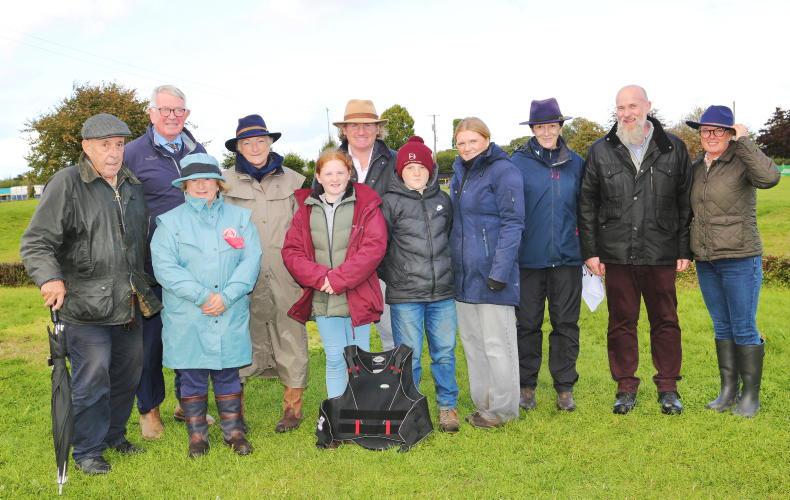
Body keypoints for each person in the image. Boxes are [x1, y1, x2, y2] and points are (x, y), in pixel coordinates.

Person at [21, 113, 161, 475]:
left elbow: (138, 244)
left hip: (129, 301)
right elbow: (37, 242)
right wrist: (50, 278)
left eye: (119, 145)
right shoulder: (67, 183)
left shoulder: (132, 185)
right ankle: (87, 450)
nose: (113, 152)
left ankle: (114, 436)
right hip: (84, 304)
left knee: (127, 376)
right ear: (86, 147)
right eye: (104, 145)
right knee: (92, 380)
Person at [579, 85, 692, 415]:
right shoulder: (601, 150)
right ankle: (625, 387)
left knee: (666, 321)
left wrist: (683, 249)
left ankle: (668, 387)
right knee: (621, 323)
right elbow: (587, 203)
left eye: (633, 106)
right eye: (621, 107)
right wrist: (591, 251)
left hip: (661, 251)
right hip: (616, 253)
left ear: (647, 106)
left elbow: (685, 202)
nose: (627, 113)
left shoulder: (673, 148)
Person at [150, 153, 261, 457]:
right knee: (192, 375)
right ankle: (197, 436)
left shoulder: (240, 219)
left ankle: (234, 432)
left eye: (208, 179)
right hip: (189, 313)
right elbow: (165, 268)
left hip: (229, 309)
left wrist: (226, 297)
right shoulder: (169, 223)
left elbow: (250, 261)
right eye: (194, 180)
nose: (201, 185)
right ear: (184, 185)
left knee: (228, 373)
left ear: (218, 184)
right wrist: (203, 296)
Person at [124, 84, 208, 439]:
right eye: (165, 110)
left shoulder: (197, 150)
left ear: (186, 114)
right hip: (151, 264)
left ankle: (187, 402)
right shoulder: (133, 153)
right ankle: (149, 409)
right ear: (151, 113)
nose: (172, 116)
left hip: (195, 263)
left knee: (190, 334)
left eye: (179, 110)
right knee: (151, 342)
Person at [685, 105, 780, 417]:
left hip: (740, 258)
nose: (711, 136)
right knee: (722, 325)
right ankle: (727, 391)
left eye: (719, 131)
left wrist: (745, 141)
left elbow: (770, 177)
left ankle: (749, 397)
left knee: (743, 326)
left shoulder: (741, 160)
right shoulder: (696, 167)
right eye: (705, 131)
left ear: (730, 134)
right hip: (707, 260)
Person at [222, 114, 309, 432]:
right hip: (240, 275)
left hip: (286, 273)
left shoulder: (295, 181)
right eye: (247, 143)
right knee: (240, 337)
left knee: (291, 335)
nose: (255, 147)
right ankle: (235, 411)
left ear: (271, 143)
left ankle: (292, 409)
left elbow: (305, 230)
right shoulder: (223, 183)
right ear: (238, 148)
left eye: (261, 141)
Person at [282, 149, 387, 398]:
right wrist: (321, 278)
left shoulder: (366, 204)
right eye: (328, 173)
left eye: (340, 172)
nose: (335, 178)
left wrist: (339, 279)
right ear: (318, 177)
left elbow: (374, 247)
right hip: (324, 296)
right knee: (335, 358)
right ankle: (338, 412)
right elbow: (292, 251)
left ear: (349, 174)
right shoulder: (306, 208)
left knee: (359, 358)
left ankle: (360, 411)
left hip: (357, 292)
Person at [380, 136, 460, 432]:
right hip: (406, 295)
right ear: (400, 171)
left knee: (444, 353)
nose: (416, 172)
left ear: (431, 169)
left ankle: (447, 406)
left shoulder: (443, 201)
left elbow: (449, 236)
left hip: (442, 293)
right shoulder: (389, 203)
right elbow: (380, 247)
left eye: (421, 167)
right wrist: (396, 276)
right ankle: (410, 408)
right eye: (410, 167)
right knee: (409, 355)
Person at [510, 98, 585, 412]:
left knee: (566, 324)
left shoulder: (576, 163)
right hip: (528, 259)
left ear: (560, 126)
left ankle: (564, 387)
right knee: (527, 324)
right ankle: (526, 386)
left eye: (551, 125)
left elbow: (586, 209)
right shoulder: (516, 163)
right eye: (540, 126)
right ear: (532, 129)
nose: (546, 132)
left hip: (567, 258)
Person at [450, 117, 524, 428]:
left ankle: (503, 409)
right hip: (464, 275)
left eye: (473, 141)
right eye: (461, 142)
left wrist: (500, 271)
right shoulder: (459, 172)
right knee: (473, 343)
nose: (467, 147)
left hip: (493, 273)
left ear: (486, 139)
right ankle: (484, 405)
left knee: (497, 344)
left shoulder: (503, 171)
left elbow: (513, 223)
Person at [333, 99, 396, 351]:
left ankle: (393, 378)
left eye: (368, 125)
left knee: (392, 335)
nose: (361, 131)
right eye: (354, 125)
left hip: (388, 264)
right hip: (344, 264)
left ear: (378, 128)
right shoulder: (331, 163)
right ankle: (353, 379)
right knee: (348, 342)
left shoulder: (396, 162)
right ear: (344, 129)